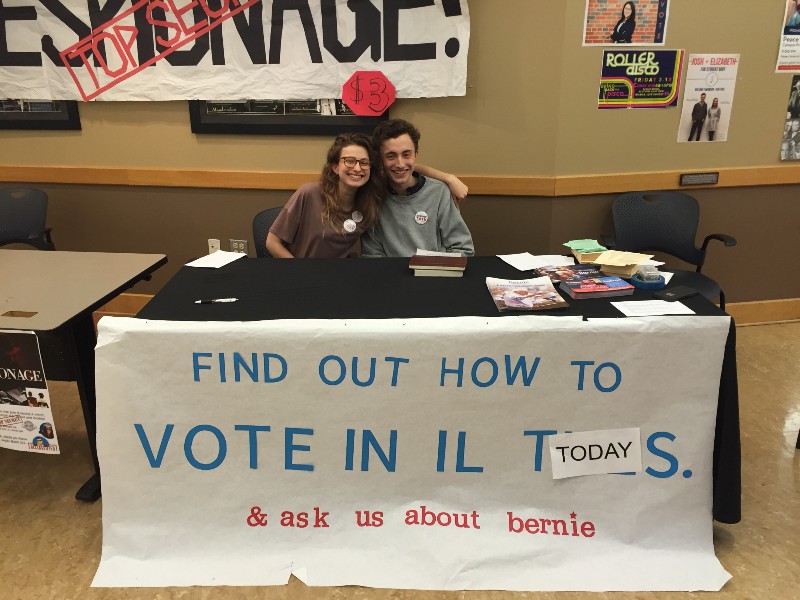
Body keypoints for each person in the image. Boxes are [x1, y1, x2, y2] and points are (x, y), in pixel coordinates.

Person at [361, 119, 475, 257]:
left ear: (416, 154)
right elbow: (372, 255)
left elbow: (463, 249)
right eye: (391, 156)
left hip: (436, 274)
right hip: (391, 275)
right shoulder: (373, 196)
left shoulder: (439, 193)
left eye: (406, 154)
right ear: (380, 159)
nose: (400, 164)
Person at [266, 132, 384, 258]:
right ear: (335, 167)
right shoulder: (308, 194)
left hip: (335, 274)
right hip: (299, 272)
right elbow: (272, 243)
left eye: (364, 163)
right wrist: (299, 272)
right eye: (349, 161)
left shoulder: (368, 204)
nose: (357, 168)